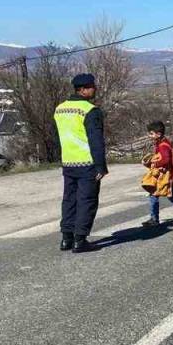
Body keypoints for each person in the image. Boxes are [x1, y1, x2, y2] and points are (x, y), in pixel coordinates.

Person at [54, 73, 108, 253]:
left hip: (68, 161)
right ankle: (80, 240)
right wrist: (101, 165)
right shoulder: (90, 110)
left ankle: (66, 238)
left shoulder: (60, 109)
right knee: (87, 201)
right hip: (87, 162)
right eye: (92, 86)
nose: (95, 89)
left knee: (69, 200)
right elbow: (96, 140)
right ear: (83, 89)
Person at [141, 121, 173, 227]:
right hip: (161, 176)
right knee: (153, 195)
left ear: (158, 134)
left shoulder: (163, 145)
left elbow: (166, 159)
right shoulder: (162, 143)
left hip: (165, 177)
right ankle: (154, 218)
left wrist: (154, 163)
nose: (150, 135)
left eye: (151, 133)